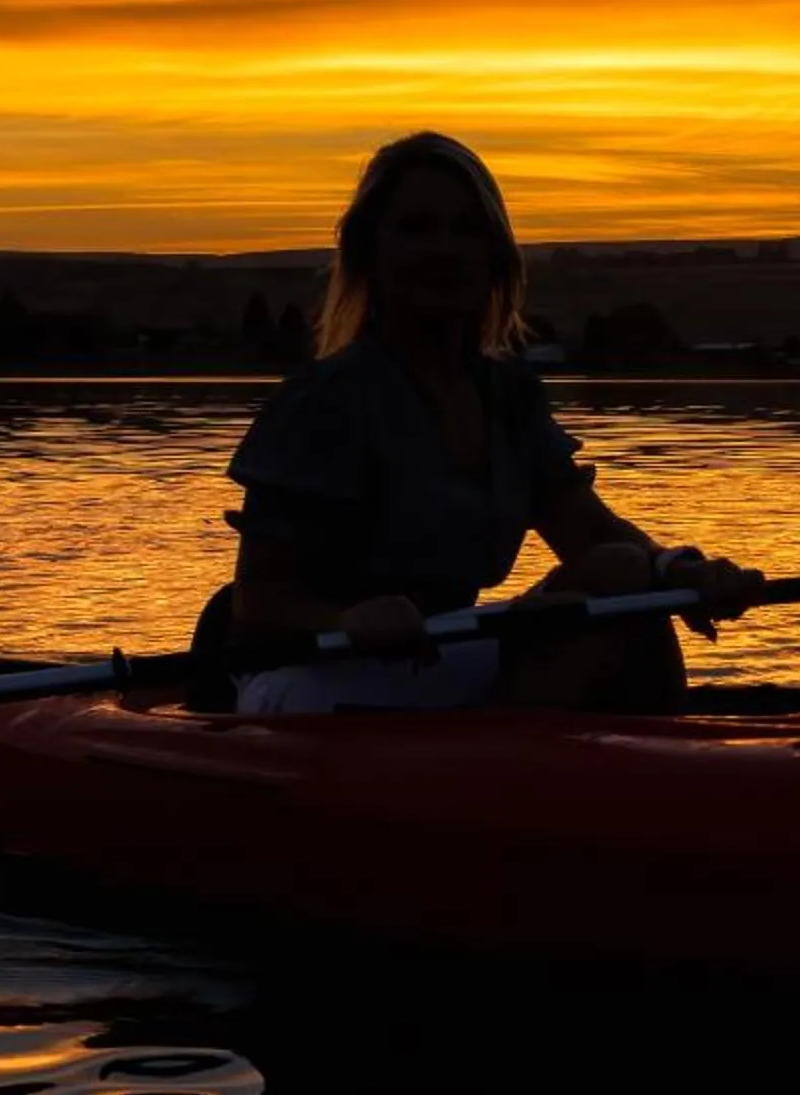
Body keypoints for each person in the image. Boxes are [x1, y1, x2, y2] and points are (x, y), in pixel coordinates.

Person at [206, 131, 761, 714]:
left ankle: (650, 763)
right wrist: (347, 618)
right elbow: (260, 606)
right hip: (315, 670)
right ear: (371, 252)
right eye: (416, 229)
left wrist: (682, 571)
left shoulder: (509, 394)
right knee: (603, 619)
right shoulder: (324, 400)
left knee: (626, 575)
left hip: (438, 652)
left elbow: (592, 536)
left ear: (494, 254)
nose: (444, 250)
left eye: (466, 230)